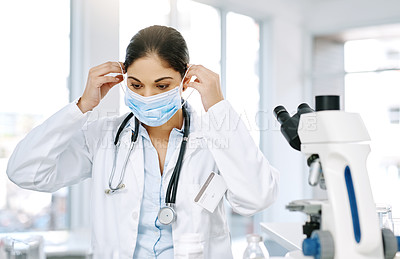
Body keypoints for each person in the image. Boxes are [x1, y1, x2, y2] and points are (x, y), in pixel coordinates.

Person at [6, 25, 279, 258]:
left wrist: (218, 108)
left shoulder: (215, 138)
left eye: (162, 86)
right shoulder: (103, 137)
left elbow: (256, 199)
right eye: (136, 85)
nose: (148, 96)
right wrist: (82, 106)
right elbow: (25, 172)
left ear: (185, 81)